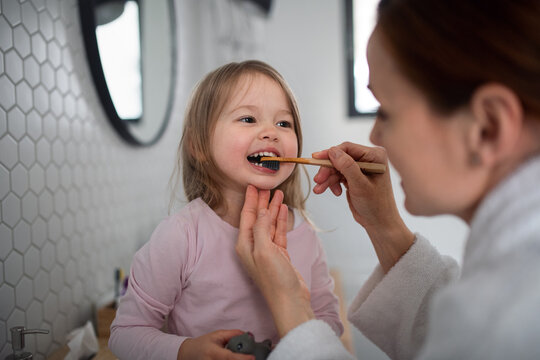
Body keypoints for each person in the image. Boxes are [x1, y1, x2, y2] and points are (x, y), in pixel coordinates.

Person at [236, 0, 540, 359]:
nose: (376, 137)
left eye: (387, 111)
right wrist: (384, 227)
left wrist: (290, 307)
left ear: (488, 127)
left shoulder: (514, 313)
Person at [108, 60, 343, 360]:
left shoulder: (304, 234)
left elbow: (330, 322)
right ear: (199, 145)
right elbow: (126, 334)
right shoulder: (181, 236)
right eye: (248, 119)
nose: (271, 132)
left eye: (284, 123)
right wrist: (184, 351)